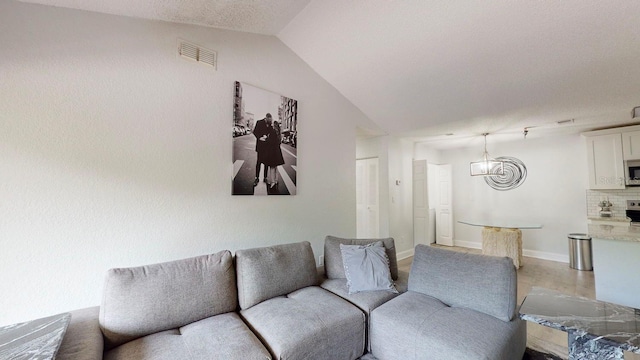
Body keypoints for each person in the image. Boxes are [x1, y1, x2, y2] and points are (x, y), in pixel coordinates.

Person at [264, 120, 285, 191]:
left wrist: (266, 138)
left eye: (273, 124)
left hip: (272, 152)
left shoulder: (273, 132)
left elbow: (270, 142)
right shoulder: (278, 133)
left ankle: (272, 182)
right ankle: (276, 180)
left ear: (274, 125)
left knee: (272, 167)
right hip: (277, 151)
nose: (272, 125)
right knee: (275, 167)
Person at [252, 113, 272, 186]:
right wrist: (260, 137)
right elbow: (254, 132)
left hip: (267, 146)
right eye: (268, 121)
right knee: (259, 162)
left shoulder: (270, 124)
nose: (269, 123)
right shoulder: (259, 122)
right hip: (260, 146)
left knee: (266, 163)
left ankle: (265, 177)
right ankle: (256, 178)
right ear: (266, 118)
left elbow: (270, 133)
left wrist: (268, 137)